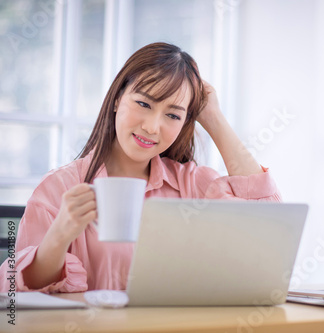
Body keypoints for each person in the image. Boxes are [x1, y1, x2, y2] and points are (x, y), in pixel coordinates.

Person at [0, 42, 280, 293]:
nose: (151, 126)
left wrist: (214, 118)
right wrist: (59, 237)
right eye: (144, 103)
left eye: (173, 114)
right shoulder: (60, 188)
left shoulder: (193, 184)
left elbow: (270, 231)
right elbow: (12, 291)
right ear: (118, 98)